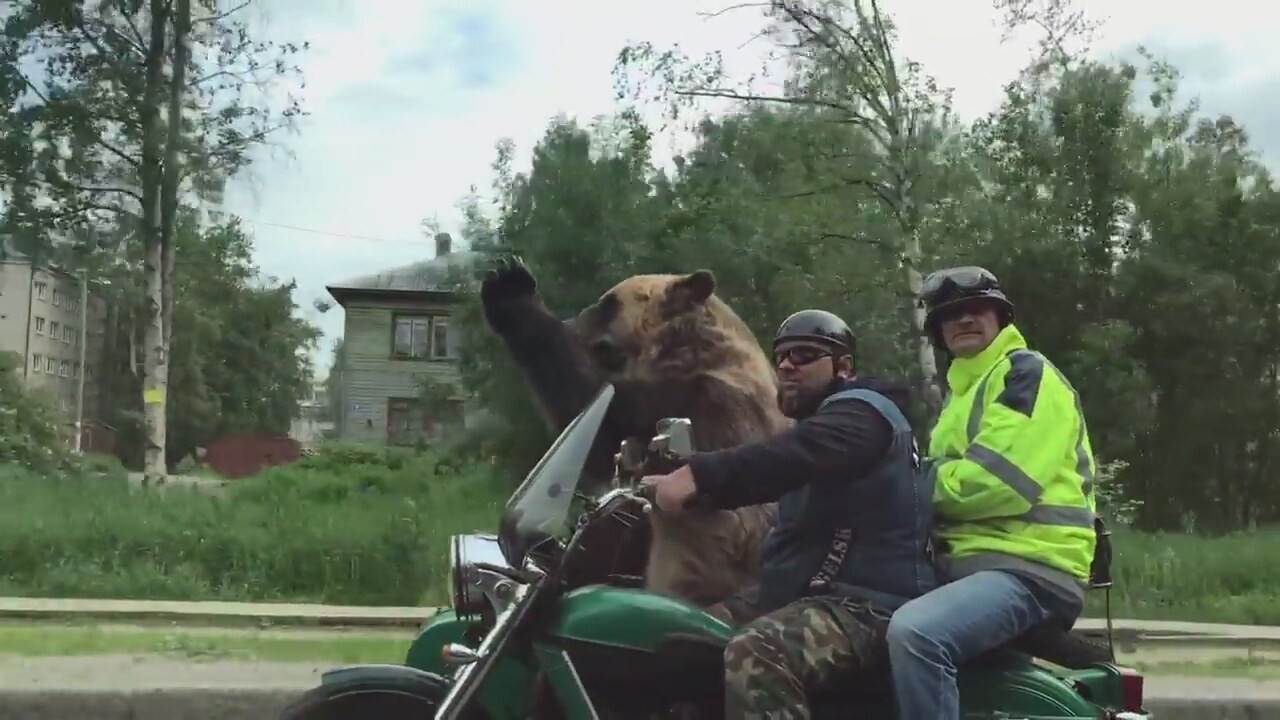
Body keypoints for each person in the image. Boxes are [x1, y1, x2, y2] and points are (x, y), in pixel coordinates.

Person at [641, 309, 937, 719]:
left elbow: (791, 458)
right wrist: (676, 488)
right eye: (781, 356)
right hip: (802, 594)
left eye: (804, 355)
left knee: (758, 652)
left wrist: (701, 475)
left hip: (865, 605)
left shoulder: (865, 412)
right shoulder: (821, 426)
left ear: (843, 367)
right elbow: (768, 475)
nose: (786, 365)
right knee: (677, 634)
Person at [885, 266, 1099, 720]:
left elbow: (1000, 482)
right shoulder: (961, 396)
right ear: (938, 332)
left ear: (1001, 318)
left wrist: (913, 484)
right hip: (972, 568)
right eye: (950, 315)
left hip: (1028, 570)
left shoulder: (1025, 375)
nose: (963, 320)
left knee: (918, 634)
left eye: (976, 310)